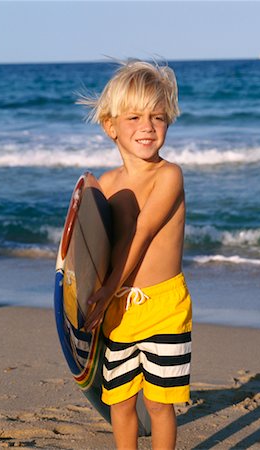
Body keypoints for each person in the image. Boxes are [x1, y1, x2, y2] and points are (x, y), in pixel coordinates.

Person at [81, 60, 192, 450]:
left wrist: (108, 288)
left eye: (157, 117)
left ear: (168, 123)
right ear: (111, 126)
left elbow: (142, 235)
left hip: (164, 306)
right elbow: (90, 249)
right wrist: (88, 300)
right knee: (120, 400)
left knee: (159, 403)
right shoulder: (105, 185)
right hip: (119, 310)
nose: (147, 126)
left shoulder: (169, 176)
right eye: (134, 117)